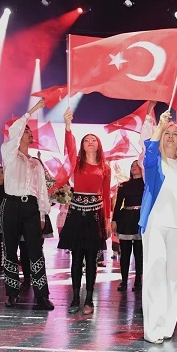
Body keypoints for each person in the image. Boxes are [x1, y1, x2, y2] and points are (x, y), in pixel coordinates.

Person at [139, 110, 177, 344]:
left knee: (174, 277)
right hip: (156, 224)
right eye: (167, 133)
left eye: (175, 134)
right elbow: (148, 153)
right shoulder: (154, 163)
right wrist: (159, 126)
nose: (170, 137)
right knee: (155, 274)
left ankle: (167, 326)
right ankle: (152, 329)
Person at [0, 99, 54, 310]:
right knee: (10, 250)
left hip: (30, 207)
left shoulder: (35, 163)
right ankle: (12, 293)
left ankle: (42, 295)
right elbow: (14, 131)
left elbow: (41, 190)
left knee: (35, 250)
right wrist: (32, 111)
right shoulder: (9, 154)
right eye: (26, 131)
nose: (30, 134)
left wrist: (42, 214)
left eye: (31, 132)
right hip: (11, 204)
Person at [56, 109, 111, 315]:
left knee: (91, 259)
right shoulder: (76, 162)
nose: (90, 142)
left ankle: (89, 299)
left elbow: (106, 195)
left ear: (99, 145)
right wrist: (67, 125)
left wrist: (107, 221)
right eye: (86, 140)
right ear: (82, 145)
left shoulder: (105, 167)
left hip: (95, 215)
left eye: (93, 139)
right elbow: (69, 146)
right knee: (77, 258)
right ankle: (74, 298)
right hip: (77, 214)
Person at [113, 160, 144, 292]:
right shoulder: (124, 185)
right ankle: (124, 281)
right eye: (132, 166)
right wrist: (114, 220)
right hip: (126, 220)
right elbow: (118, 204)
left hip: (141, 219)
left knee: (139, 253)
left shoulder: (147, 184)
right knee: (125, 253)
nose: (134, 167)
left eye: (137, 165)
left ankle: (138, 281)